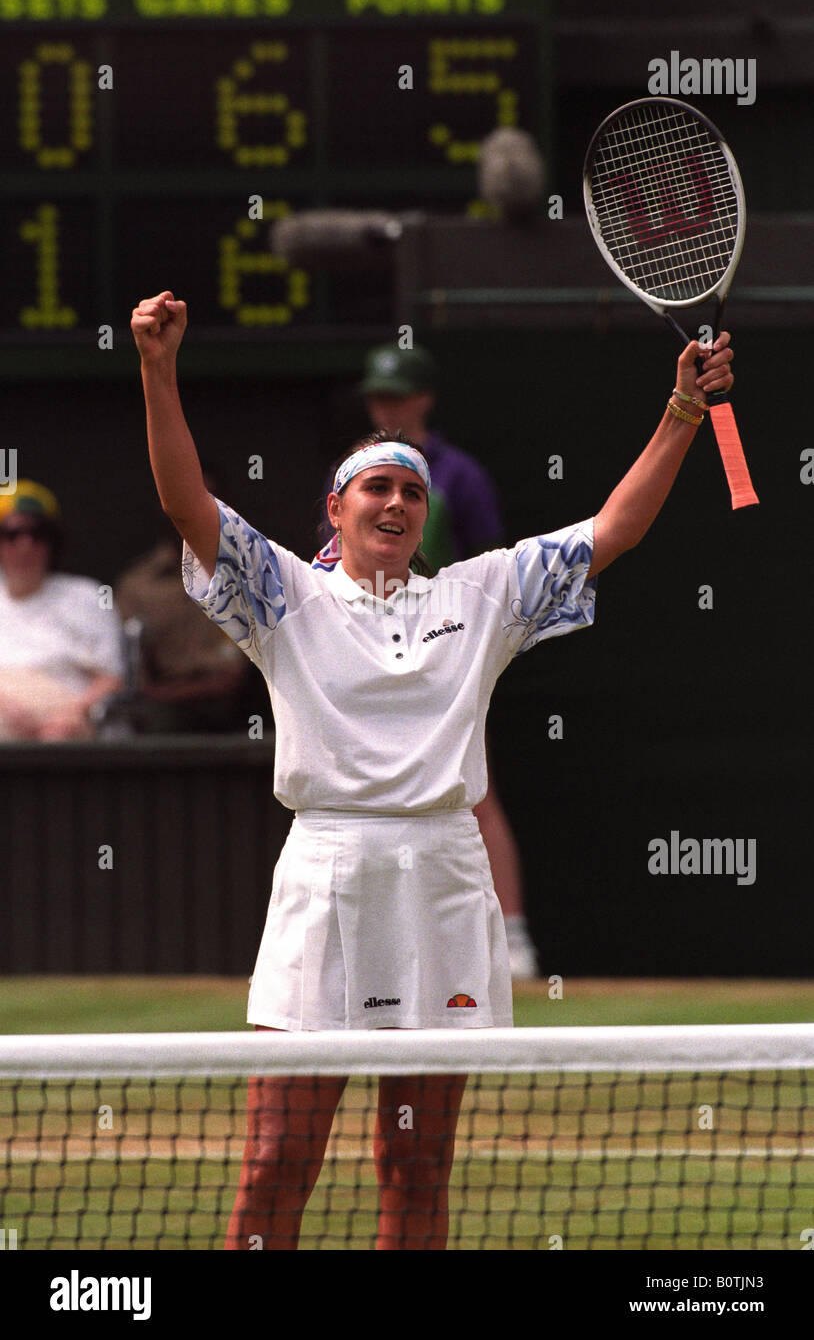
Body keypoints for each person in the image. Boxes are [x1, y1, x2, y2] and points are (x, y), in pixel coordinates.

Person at [130, 288, 733, 1250]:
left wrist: (683, 414)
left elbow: (614, 527)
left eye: (412, 491)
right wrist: (159, 368)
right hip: (326, 880)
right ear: (338, 508)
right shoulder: (285, 592)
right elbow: (185, 503)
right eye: (377, 487)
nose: (398, 502)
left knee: (415, 1166)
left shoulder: (482, 593)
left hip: (445, 886)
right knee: (278, 1158)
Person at [346, 342, 539, 978]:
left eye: (398, 395)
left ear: (424, 399)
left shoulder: (461, 474)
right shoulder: (348, 473)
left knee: (474, 795)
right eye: (379, 396)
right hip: (364, 653)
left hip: (446, 650)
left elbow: (491, 569)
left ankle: (511, 939)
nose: (388, 406)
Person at [114, 466, 252, 733]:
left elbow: (240, 675)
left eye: (206, 501)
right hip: (161, 717)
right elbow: (133, 676)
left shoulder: (249, 575)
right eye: (184, 500)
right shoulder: (137, 586)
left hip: (240, 712)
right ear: (164, 506)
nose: (194, 511)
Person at [0, 480, 124, 741]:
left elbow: (114, 678)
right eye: (12, 535)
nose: (25, 546)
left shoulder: (90, 595)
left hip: (72, 731)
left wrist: (73, 715)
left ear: (52, 542)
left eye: (38, 535)